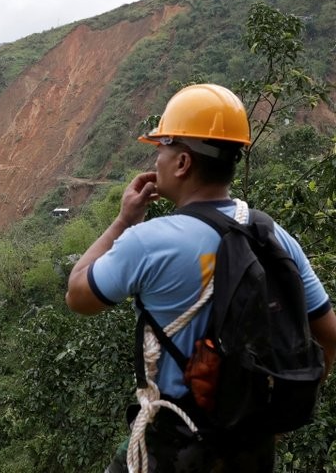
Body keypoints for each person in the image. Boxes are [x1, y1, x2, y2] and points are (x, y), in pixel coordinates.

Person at [65, 83, 336, 472]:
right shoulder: (273, 235)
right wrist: (278, 415)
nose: (155, 159)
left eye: (162, 148)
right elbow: (328, 335)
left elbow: (78, 294)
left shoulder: (148, 242)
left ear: (182, 163)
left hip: (178, 448)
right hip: (252, 450)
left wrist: (124, 220)